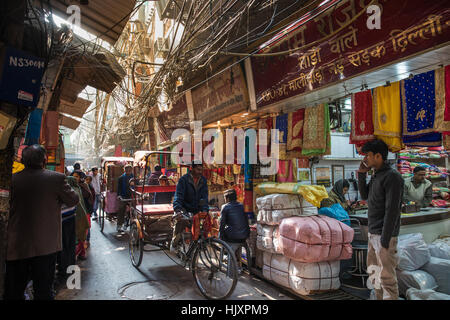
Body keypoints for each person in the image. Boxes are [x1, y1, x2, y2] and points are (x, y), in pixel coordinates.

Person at [4, 145, 79, 300]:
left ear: (22, 161)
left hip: (17, 245)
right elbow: (73, 200)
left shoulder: (12, 180)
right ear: (44, 160)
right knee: (43, 290)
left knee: (14, 290)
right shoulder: (56, 179)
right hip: (46, 245)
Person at [358, 139, 404, 300]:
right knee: (374, 274)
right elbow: (365, 196)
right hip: (373, 233)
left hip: (385, 236)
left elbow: (392, 210)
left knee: (387, 279)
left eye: (368, 156)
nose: (366, 159)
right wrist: (361, 174)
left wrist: (385, 240)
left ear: (378, 156)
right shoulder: (377, 175)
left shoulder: (392, 177)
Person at [171, 163, 209, 252]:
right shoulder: (183, 180)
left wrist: (205, 210)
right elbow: (178, 196)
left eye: (201, 170)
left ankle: (198, 247)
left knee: (202, 229)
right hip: (184, 208)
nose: (200, 172)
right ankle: (174, 242)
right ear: (192, 169)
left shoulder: (203, 180)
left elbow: (204, 197)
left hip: (196, 209)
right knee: (180, 223)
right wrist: (178, 210)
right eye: (198, 170)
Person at [71, 171, 91, 260]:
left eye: (77, 177)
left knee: (83, 234)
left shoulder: (84, 186)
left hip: (85, 213)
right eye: (73, 176)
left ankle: (79, 253)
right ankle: (81, 253)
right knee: (78, 235)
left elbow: (89, 197)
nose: (75, 178)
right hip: (75, 214)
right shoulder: (71, 187)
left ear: (81, 177)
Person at [117, 165, 134, 232]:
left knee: (134, 211)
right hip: (123, 196)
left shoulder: (134, 177)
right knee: (121, 209)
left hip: (132, 196)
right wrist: (119, 195)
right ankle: (119, 225)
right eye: (127, 170)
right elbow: (119, 188)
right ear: (124, 170)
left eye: (129, 170)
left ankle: (129, 223)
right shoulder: (121, 178)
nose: (128, 172)